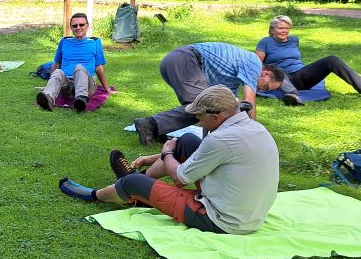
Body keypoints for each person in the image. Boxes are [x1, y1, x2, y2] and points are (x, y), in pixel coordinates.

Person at [59, 86, 279, 235]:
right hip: (248, 213)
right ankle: (137, 185)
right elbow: (202, 154)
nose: (198, 121)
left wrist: (166, 153)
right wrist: (151, 158)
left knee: (133, 183)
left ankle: (97, 194)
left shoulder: (221, 139)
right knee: (187, 141)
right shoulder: (253, 127)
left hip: (224, 220)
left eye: (200, 117)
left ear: (216, 116)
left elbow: (180, 178)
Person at [132, 42, 284, 145]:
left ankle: (157, 128)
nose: (262, 91)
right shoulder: (254, 63)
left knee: (211, 108)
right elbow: (249, 101)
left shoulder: (233, 79)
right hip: (185, 60)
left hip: (175, 61)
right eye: (266, 87)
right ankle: (150, 125)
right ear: (267, 74)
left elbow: (225, 108)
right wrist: (254, 135)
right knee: (204, 108)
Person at [255, 15, 361, 105]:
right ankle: (292, 97)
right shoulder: (265, 42)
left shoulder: (294, 40)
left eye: (287, 28)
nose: (284, 31)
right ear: (272, 30)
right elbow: (256, 63)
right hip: (279, 77)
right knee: (278, 69)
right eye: (281, 28)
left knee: (332, 60)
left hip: (301, 75)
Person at [36, 12, 110, 113]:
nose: (78, 28)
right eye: (75, 26)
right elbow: (57, 64)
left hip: (87, 85)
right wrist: (50, 84)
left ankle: (81, 99)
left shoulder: (95, 42)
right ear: (71, 27)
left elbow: (98, 67)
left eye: (81, 25)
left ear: (87, 26)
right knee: (58, 72)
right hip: (68, 85)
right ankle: (48, 98)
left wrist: (107, 88)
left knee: (79, 68)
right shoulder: (64, 41)